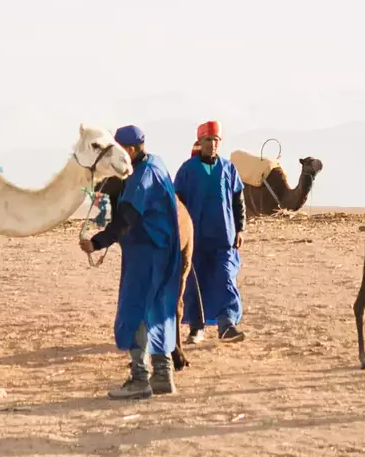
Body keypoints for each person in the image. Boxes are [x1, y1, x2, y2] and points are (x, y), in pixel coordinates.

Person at [85, 124, 186, 396]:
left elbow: (126, 219)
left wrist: (96, 242)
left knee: (135, 310)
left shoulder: (141, 177)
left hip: (146, 252)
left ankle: (140, 379)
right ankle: (163, 375)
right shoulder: (157, 163)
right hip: (165, 250)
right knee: (160, 308)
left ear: (129, 150)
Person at [176, 120, 246, 344]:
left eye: (216, 140)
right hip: (195, 239)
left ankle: (227, 324)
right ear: (200, 141)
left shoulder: (228, 168)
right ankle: (196, 328)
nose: (212, 144)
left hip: (224, 236)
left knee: (226, 278)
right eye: (208, 140)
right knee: (196, 282)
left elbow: (238, 201)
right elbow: (178, 203)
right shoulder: (187, 170)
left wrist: (241, 228)